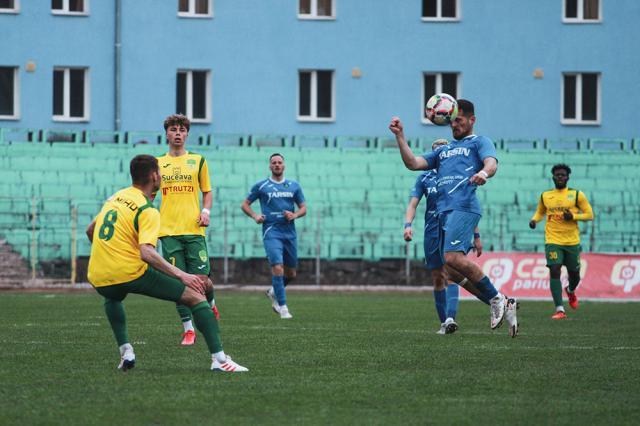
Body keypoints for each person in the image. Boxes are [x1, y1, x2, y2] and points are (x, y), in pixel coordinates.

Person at [86, 154, 247, 372]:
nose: (161, 176)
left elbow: (90, 231)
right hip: (131, 272)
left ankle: (126, 351)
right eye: (160, 173)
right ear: (154, 176)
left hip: (98, 275)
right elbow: (147, 253)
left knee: (112, 297)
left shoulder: (115, 197)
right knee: (196, 296)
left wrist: (110, 253)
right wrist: (182, 275)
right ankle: (220, 360)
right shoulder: (148, 209)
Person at [390, 99, 518, 337]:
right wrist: (400, 136)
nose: (454, 124)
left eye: (459, 120)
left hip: (464, 206)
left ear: (472, 120)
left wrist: (483, 172)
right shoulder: (443, 151)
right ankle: (503, 302)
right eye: (452, 120)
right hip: (444, 213)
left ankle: (497, 298)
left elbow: (492, 163)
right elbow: (413, 163)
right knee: (452, 271)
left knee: (451, 258)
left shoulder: (479, 142)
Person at [403, 138, 490, 335]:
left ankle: (454, 316)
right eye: (437, 150)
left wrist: (476, 236)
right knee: (437, 277)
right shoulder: (424, 178)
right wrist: (408, 225)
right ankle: (445, 323)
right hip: (431, 230)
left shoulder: (457, 176)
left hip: (452, 226)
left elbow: (466, 205)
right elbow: (413, 204)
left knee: (452, 273)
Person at [156, 114, 218, 346]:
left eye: (182, 129)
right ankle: (188, 329)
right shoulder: (158, 163)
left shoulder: (198, 161)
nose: (178, 133)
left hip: (194, 229)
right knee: (179, 283)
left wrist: (206, 212)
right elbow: (150, 195)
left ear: (187, 133)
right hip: (168, 231)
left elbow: (207, 191)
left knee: (202, 281)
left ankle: (211, 304)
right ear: (167, 133)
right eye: (173, 129)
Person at [241, 153, 306, 319]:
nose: (277, 165)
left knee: (291, 274)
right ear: (270, 166)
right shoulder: (262, 186)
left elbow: (303, 208)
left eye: (279, 162)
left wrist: (295, 215)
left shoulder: (294, 186)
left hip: (289, 232)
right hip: (271, 231)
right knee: (278, 267)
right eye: (274, 163)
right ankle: (283, 307)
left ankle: (273, 291)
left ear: (284, 166)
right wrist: (255, 216)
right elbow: (245, 204)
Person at [529, 163, 594, 319]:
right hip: (553, 239)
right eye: (557, 175)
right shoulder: (546, 195)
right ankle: (560, 309)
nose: (560, 177)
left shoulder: (577, 195)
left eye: (563, 175)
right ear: (553, 177)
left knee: (574, 274)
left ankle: (571, 290)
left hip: (572, 241)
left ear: (567, 177)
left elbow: (589, 214)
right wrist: (534, 220)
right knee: (555, 269)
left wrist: (573, 216)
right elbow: (540, 212)